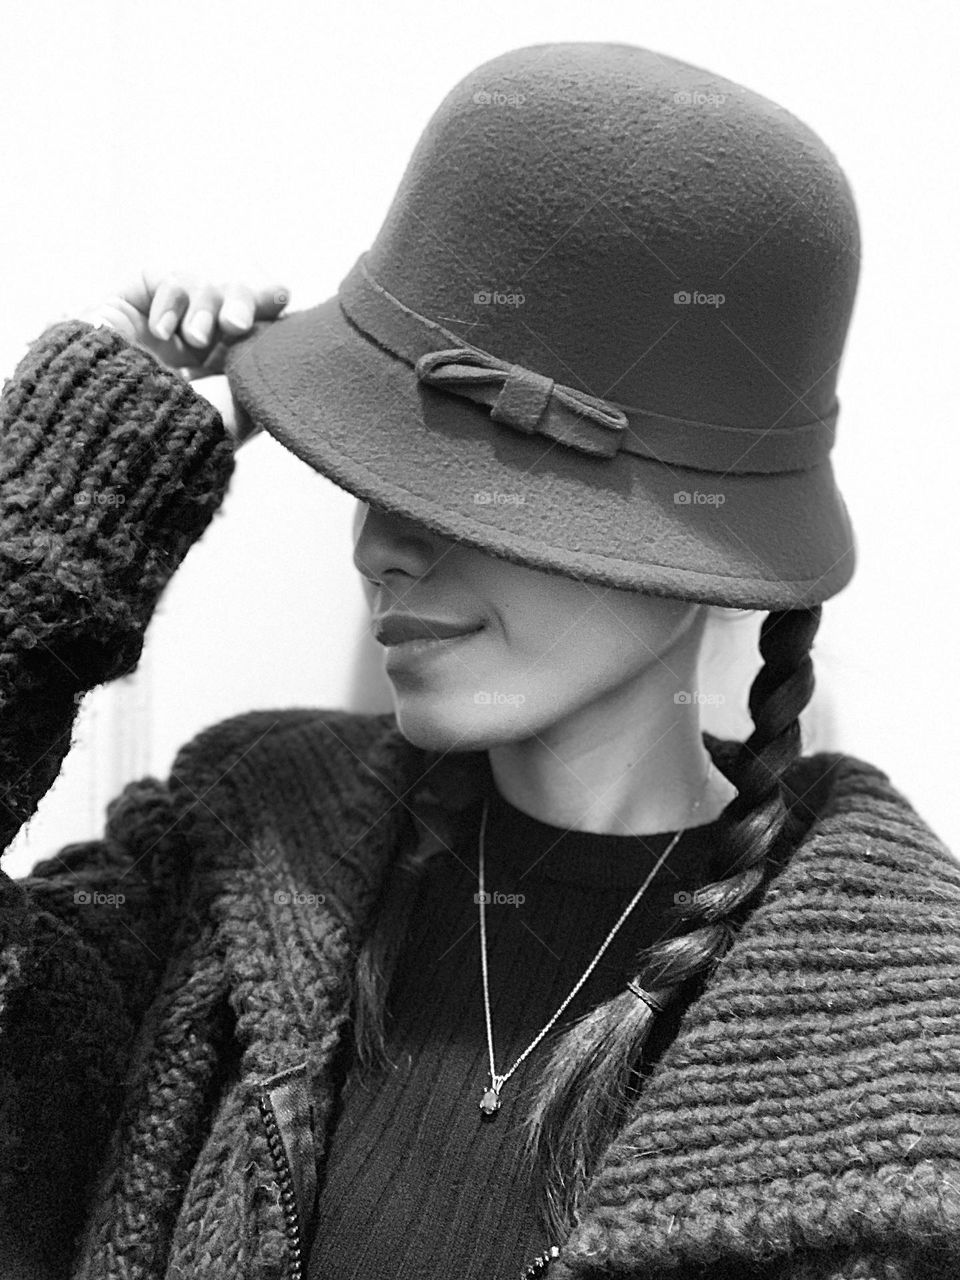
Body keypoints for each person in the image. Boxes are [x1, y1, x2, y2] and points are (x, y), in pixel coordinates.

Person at [2, 40, 959, 1280]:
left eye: (486, 495)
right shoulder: (239, 848)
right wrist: (63, 514)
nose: (381, 549)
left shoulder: (896, 1049)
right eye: (378, 471)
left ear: (707, 554)